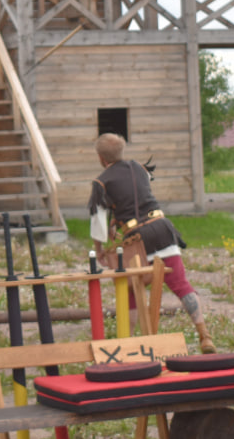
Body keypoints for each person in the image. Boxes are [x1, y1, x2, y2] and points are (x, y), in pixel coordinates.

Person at [88, 133, 216, 354]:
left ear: (100, 157)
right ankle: (205, 336)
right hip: (163, 227)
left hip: (137, 238)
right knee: (181, 285)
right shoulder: (140, 169)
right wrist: (118, 220)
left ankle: (126, 346)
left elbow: (98, 222)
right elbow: (137, 195)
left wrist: (99, 250)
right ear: (122, 150)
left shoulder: (101, 182)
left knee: (130, 290)